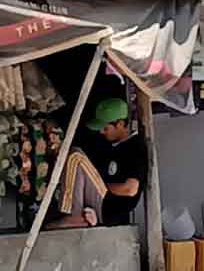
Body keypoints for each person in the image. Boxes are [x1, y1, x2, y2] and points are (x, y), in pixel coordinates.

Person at [46, 98, 146, 229]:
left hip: (109, 207)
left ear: (120, 124)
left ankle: (74, 215)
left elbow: (130, 189)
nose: (101, 132)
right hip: (100, 202)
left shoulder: (135, 147)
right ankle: (80, 214)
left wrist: (101, 184)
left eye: (105, 128)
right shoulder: (111, 145)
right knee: (77, 158)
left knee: (75, 156)